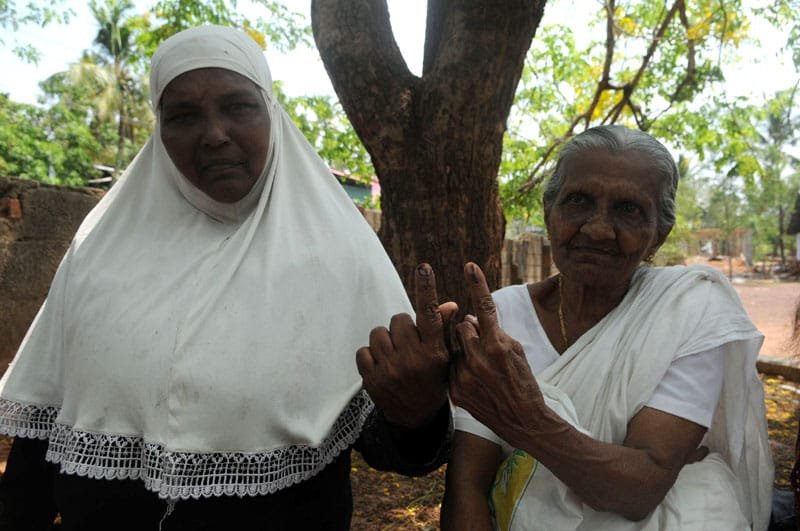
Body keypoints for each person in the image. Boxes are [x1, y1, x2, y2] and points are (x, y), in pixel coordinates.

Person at [0, 25, 453, 530]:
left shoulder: (338, 256)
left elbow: (398, 451)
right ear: (159, 129)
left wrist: (417, 412)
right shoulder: (99, 251)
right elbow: (41, 437)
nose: (214, 134)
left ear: (272, 116)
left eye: (238, 107)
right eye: (184, 116)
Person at [440, 125, 774, 530]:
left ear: (658, 235)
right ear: (550, 214)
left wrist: (526, 421)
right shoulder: (503, 316)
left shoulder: (689, 309)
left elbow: (641, 487)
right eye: (578, 201)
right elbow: (468, 487)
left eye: (628, 209)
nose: (598, 229)